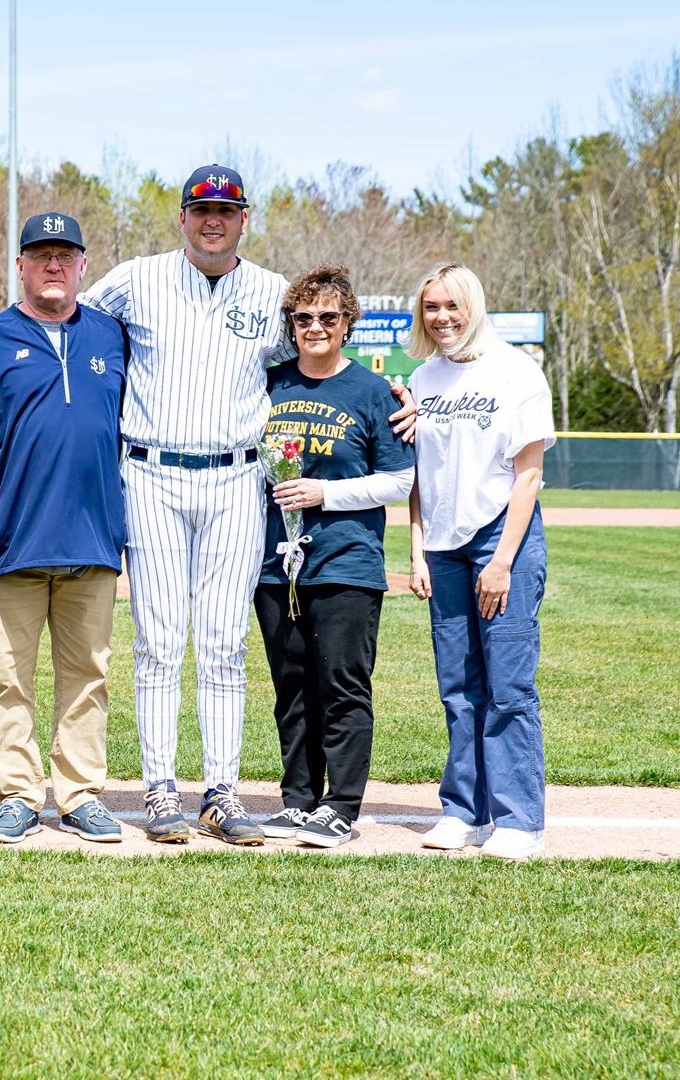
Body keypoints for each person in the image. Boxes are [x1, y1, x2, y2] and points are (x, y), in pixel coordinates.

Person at [79, 164, 416, 846]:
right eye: (202, 209)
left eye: (227, 210)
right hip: (150, 473)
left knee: (224, 643)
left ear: (244, 217)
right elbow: (72, 325)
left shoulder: (271, 294)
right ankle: (160, 789)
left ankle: (221, 791)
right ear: (181, 217)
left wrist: (394, 398)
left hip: (237, 478)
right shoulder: (134, 280)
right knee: (159, 641)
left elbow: (322, 364)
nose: (214, 220)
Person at [0, 213, 129, 845]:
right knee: (7, 676)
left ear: (84, 265)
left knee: (88, 674)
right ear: (21, 266)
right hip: (12, 539)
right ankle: (18, 794)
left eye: (65, 255)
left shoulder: (112, 337)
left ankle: (81, 792)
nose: (53, 266)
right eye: (41, 255)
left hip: (93, 535)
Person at [253, 266, 414, 848]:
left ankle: (340, 805)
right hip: (275, 563)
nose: (315, 327)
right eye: (303, 318)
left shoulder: (373, 391)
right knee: (291, 684)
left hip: (346, 559)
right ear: (290, 325)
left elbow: (399, 480)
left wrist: (328, 494)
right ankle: (298, 801)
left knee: (341, 683)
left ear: (348, 323)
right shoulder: (269, 383)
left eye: (328, 317)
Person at [405, 262, 553, 861]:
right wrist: (416, 547)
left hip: (500, 539)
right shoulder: (422, 379)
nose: (441, 317)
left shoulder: (516, 371)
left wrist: (503, 563)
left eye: (451, 305)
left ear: (474, 306)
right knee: (458, 687)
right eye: (431, 307)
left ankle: (520, 821)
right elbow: (417, 475)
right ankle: (463, 812)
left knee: (508, 685)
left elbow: (531, 475)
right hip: (442, 546)